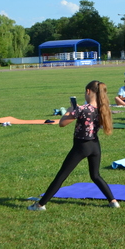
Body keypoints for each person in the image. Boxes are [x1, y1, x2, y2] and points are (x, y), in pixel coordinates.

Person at [28, 80, 119, 211]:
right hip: (95, 145)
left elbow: (62, 123)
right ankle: (113, 201)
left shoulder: (82, 109)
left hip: (81, 146)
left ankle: (40, 205)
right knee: (95, 175)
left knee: (61, 176)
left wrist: (71, 109)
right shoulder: (102, 108)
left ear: (88, 91)